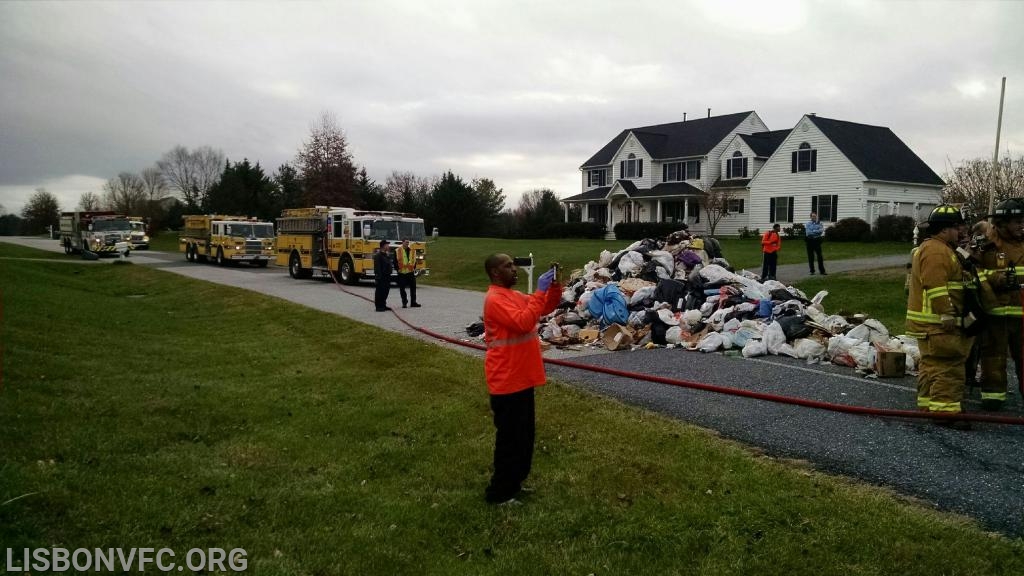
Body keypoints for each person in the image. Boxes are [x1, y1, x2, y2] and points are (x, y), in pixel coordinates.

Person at [482, 254, 561, 504]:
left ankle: (515, 482)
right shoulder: (495, 299)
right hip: (506, 380)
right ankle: (499, 493)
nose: (514, 269)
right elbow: (524, 322)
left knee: (524, 438)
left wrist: (554, 287)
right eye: (508, 266)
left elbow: (544, 308)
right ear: (495, 273)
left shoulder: (513, 296)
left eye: (513, 265)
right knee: (509, 440)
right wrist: (538, 293)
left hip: (523, 378)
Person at [906, 205, 974, 428]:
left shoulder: (938, 248)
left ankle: (928, 405)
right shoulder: (936, 251)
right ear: (945, 229)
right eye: (957, 227)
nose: (960, 232)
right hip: (937, 324)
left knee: (931, 366)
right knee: (948, 367)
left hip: (928, 324)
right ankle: (946, 413)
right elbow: (935, 285)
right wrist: (946, 314)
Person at [976, 198, 1024, 410]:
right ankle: (993, 398)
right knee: (993, 357)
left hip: (1022, 314)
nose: (1021, 226)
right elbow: (971, 272)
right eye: (1017, 221)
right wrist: (996, 278)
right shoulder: (986, 247)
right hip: (995, 313)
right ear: (1002, 223)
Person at [393, 239, 421, 308]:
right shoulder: (397, 250)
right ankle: (404, 302)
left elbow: (414, 260)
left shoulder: (412, 250)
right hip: (402, 272)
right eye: (406, 242)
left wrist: (414, 267)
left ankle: (413, 302)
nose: (407, 243)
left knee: (413, 288)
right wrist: (397, 269)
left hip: (410, 272)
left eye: (408, 242)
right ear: (402, 242)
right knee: (402, 288)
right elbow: (395, 261)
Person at [373, 239, 392, 312]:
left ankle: (383, 305)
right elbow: (377, 268)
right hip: (381, 277)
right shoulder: (378, 256)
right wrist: (378, 277)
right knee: (380, 291)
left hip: (387, 276)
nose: (388, 246)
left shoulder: (386, 255)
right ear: (383, 246)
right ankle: (378, 306)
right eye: (387, 245)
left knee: (386, 291)